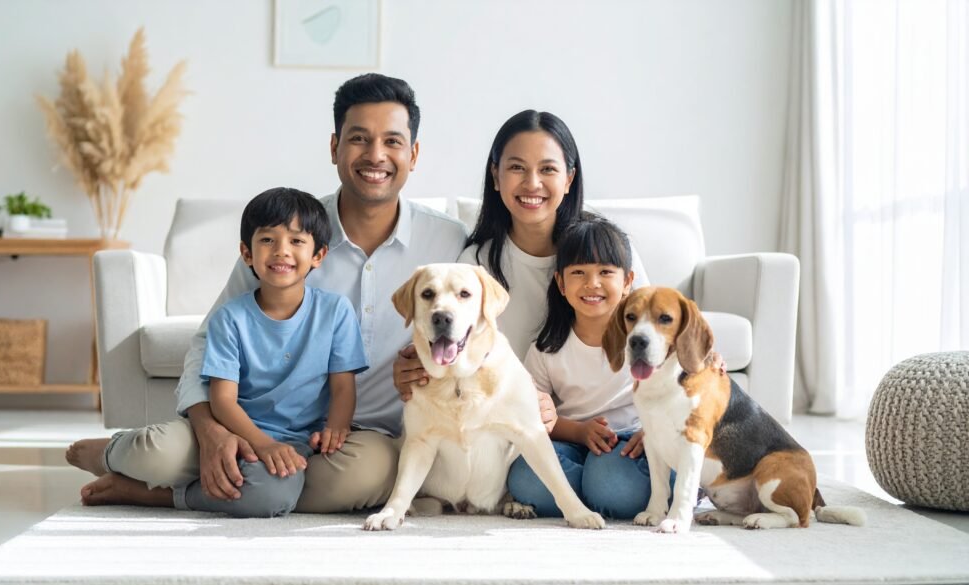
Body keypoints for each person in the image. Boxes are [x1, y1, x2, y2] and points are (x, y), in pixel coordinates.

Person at [66, 73, 470, 514]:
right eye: (359, 139)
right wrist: (210, 430)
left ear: (413, 154)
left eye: (392, 142)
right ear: (334, 147)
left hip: (358, 442)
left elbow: (480, 336)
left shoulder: (449, 245)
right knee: (161, 454)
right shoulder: (287, 237)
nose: (376, 155)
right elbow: (207, 345)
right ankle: (118, 453)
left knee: (367, 477)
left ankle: (163, 493)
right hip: (248, 421)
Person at [64, 187, 369, 516]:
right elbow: (223, 400)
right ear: (247, 253)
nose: (282, 251)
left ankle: (149, 493)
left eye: (296, 241)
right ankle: (107, 453)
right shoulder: (231, 317)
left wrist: (335, 430)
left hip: (296, 442)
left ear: (318, 255)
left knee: (270, 497)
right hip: (231, 428)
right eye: (268, 240)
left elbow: (342, 386)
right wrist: (259, 442)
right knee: (151, 450)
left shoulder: (335, 311)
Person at [393, 109, 650, 397]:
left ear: (569, 179)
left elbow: (658, 333)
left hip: (611, 424)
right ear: (496, 175)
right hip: (513, 418)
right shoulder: (475, 266)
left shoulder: (608, 251)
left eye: (548, 169)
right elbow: (454, 356)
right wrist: (418, 368)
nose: (532, 183)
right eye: (517, 168)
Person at [505, 215, 651, 519]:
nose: (592, 283)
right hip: (571, 441)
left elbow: (678, 394)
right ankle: (589, 487)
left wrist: (654, 432)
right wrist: (579, 431)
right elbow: (533, 414)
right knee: (525, 480)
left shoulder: (645, 340)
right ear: (560, 282)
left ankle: (597, 486)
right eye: (579, 272)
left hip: (632, 443)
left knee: (613, 485)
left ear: (627, 282)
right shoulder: (548, 347)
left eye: (605, 272)